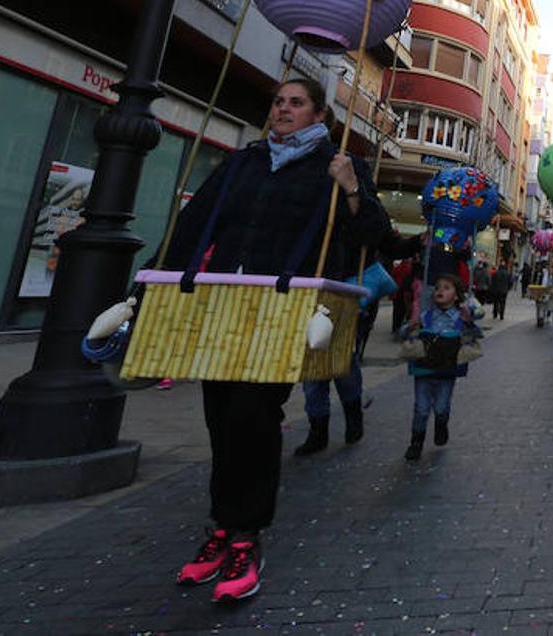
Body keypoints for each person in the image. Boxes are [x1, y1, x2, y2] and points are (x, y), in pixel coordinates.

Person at [165, 77, 390, 603]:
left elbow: (374, 237)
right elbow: (196, 223)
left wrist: (352, 189)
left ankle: (246, 537)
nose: (283, 110)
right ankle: (220, 529)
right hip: (223, 302)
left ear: (319, 117)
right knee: (219, 412)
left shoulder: (337, 166)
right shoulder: (245, 161)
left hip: (285, 308)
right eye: (278, 102)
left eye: (296, 104)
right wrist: (159, 281)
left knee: (253, 414)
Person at [294, 229, 418, 457]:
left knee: (342, 360)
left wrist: (417, 242)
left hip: (346, 291)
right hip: (310, 286)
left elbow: (389, 242)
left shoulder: (363, 201)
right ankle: (318, 429)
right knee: (313, 362)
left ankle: (352, 418)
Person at [405, 272, 470, 459]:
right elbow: (407, 333)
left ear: (456, 295)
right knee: (421, 408)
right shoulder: (426, 315)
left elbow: (473, 336)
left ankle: (441, 424)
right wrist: (409, 327)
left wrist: (468, 322)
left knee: (441, 406)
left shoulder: (459, 318)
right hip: (424, 369)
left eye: (446, 288)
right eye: (438, 287)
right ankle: (416, 443)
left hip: (446, 371)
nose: (440, 291)